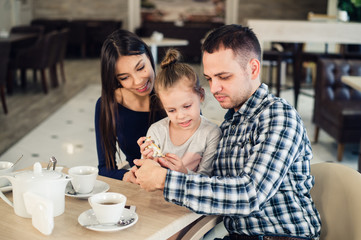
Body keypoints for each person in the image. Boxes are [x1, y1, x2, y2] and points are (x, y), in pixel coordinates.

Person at [133, 24, 321, 239]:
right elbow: (215, 189)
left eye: (224, 77)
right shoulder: (230, 125)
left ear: (253, 69)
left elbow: (249, 195)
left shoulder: (278, 116)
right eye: (210, 78)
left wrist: (165, 180)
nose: (214, 88)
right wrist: (158, 167)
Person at [94, 29, 166, 181]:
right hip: (139, 185)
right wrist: (127, 175)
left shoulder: (174, 93)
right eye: (125, 77)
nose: (138, 81)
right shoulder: (108, 105)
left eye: (140, 68)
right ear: (116, 79)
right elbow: (105, 168)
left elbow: (203, 144)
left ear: (148, 55)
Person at [137, 48, 221, 176]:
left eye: (187, 106)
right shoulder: (156, 131)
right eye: (171, 110)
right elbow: (147, 174)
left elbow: (206, 179)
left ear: (201, 95)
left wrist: (183, 171)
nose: (181, 116)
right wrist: (147, 160)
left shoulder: (211, 133)